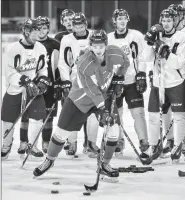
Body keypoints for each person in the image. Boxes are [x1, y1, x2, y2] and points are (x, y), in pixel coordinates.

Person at [33, 29, 129, 181]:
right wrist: (103, 110)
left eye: (101, 46)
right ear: (91, 46)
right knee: (61, 132)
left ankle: (105, 164)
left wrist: (119, 78)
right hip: (80, 99)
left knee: (114, 130)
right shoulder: (85, 62)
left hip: (105, 96)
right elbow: (91, 90)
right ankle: (49, 160)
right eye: (95, 46)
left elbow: (125, 61)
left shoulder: (115, 52)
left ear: (106, 45)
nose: (98, 49)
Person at [144, 7, 185, 163]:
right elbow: (146, 57)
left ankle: (178, 146)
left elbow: (179, 62)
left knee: (180, 117)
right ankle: (153, 146)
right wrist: (150, 42)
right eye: (163, 21)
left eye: (169, 20)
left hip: (177, 82)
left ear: (175, 21)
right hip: (158, 83)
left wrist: (164, 51)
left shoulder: (182, 36)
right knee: (153, 116)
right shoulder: (158, 36)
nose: (166, 24)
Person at [1, 19, 51, 160]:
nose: (40, 32)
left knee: (38, 116)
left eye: (41, 29)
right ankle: (6, 144)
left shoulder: (40, 48)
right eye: (36, 30)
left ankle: (32, 145)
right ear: (27, 31)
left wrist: (43, 81)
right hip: (15, 87)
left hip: (32, 87)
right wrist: (24, 80)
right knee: (8, 118)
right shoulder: (13, 48)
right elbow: (9, 72)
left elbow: (42, 69)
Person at [106, 8, 150, 158]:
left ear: (128, 20)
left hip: (131, 80)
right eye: (119, 18)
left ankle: (144, 141)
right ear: (114, 21)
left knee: (138, 112)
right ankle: (118, 140)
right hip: (114, 82)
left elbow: (142, 57)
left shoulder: (136, 35)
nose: (122, 21)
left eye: (124, 18)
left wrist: (142, 74)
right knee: (116, 113)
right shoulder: (108, 38)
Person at [57, 12, 94, 156]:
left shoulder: (94, 36)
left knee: (91, 113)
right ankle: (72, 142)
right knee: (72, 111)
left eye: (81, 25)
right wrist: (66, 81)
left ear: (85, 24)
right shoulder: (66, 39)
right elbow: (63, 62)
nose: (79, 28)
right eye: (76, 25)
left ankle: (91, 143)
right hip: (74, 80)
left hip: (92, 79)